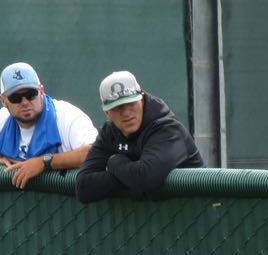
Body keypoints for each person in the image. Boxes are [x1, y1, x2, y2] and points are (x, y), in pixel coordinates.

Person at [0, 61, 98, 189]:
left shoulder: (66, 116)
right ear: (3, 100)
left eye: (31, 94)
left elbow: (95, 152)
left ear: (41, 91)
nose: (24, 102)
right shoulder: (3, 118)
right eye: (15, 97)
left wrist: (44, 162)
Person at [75, 70, 204, 203]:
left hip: (196, 209)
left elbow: (147, 179)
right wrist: (131, 175)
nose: (126, 113)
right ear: (107, 112)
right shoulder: (109, 132)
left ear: (141, 99)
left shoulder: (167, 128)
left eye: (131, 103)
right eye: (118, 107)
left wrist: (115, 163)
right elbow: (83, 188)